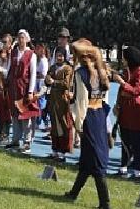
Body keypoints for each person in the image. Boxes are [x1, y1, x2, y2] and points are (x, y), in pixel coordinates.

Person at [64, 39, 111, 209]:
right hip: (99, 115)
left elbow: (82, 103)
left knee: (96, 160)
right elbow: (103, 98)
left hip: (89, 117)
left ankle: (105, 203)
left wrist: (79, 125)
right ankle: (74, 193)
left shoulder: (81, 73)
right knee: (86, 160)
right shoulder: (102, 71)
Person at [5, 29, 38, 154]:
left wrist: (30, 91)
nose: (20, 40)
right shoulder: (13, 53)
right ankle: (15, 140)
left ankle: (27, 142)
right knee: (14, 114)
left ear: (27, 39)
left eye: (22, 37)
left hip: (24, 88)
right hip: (14, 87)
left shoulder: (31, 54)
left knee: (25, 114)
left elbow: (33, 74)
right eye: (19, 37)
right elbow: (9, 69)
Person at [113, 46, 140, 178]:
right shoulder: (126, 71)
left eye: (124, 57)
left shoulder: (139, 72)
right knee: (124, 140)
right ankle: (123, 167)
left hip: (135, 112)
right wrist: (117, 105)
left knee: (136, 142)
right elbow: (121, 92)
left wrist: (123, 83)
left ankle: (136, 170)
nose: (122, 60)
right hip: (124, 110)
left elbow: (135, 91)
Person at [45, 47, 74, 161]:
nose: (59, 57)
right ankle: (55, 150)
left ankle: (63, 151)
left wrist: (54, 82)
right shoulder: (52, 67)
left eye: (61, 55)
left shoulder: (68, 69)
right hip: (53, 99)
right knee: (54, 126)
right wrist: (47, 80)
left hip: (63, 100)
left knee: (63, 125)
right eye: (57, 55)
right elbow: (47, 79)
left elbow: (66, 84)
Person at [34, 43, 50, 132]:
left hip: (41, 84)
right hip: (37, 83)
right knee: (38, 103)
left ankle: (41, 121)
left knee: (41, 104)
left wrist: (34, 74)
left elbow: (43, 74)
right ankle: (39, 120)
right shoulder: (37, 60)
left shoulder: (43, 60)